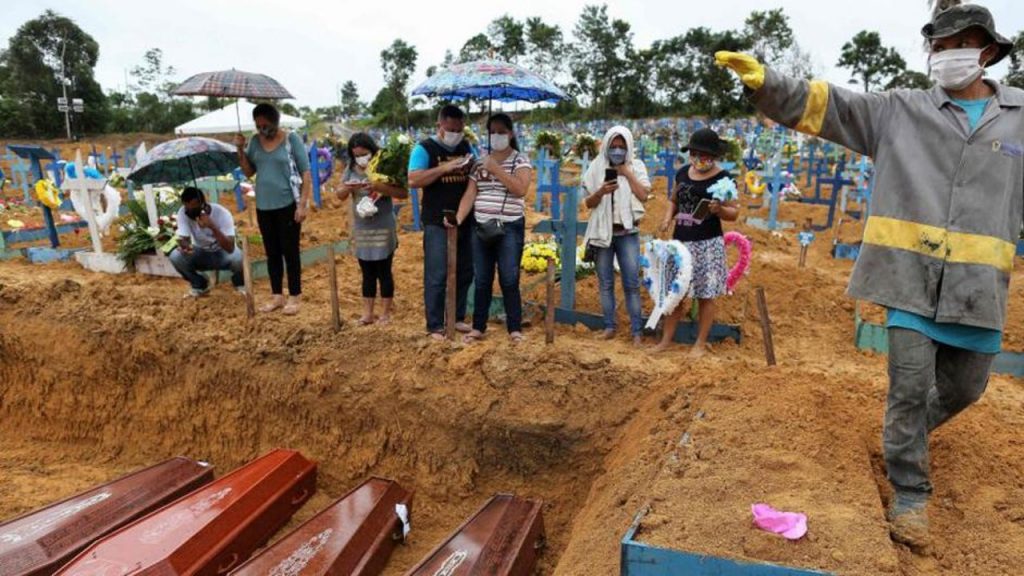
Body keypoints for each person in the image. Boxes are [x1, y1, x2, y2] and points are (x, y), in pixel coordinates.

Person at [717, 1, 1021, 550]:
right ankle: (910, 494)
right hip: (907, 275)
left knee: (965, 388)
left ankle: (903, 440)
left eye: (962, 45)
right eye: (940, 46)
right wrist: (767, 85)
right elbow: (829, 107)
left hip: (977, 289)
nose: (949, 56)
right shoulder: (900, 110)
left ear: (989, 52)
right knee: (907, 387)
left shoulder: (1021, 118)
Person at [655, 128, 739, 357]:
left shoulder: (724, 179)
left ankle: (700, 343)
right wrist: (665, 219)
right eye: (695, 152)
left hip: (707, 243)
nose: (699, 158)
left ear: (713, 155)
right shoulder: (682, 173)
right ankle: (665, 341)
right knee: (676, 292)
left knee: (705, 294)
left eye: (704, 154)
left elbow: (734, 213)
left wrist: (719, 209)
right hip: (681, 242)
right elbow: (674, 200)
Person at [451, 114, 533, 343]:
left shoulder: (520, 161)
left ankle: (514, 328)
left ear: (511, 134)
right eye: (493, 132)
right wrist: (458, 218)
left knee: (508, 277)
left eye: (501, 132)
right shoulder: (480, 163)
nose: (496, 136)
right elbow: (470, 193)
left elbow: (520, 189)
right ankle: (478, 326)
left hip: (509, 227)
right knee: (483, 278)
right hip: (482, 227)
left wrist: (496, 169)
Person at [235, 103, 312, 316]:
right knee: (272, 253)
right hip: (263, 206)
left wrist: (302, 204)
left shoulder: (291, 140)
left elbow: (306, 174)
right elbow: (249, 171)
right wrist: (240, 149)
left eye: (266, 125)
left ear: (275, 122)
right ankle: (277, 295)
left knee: (290, 251)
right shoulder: (255, 143)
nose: (262, 130)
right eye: (258, 126)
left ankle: (295, 295)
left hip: (287, 204)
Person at [408, 105, 477, 340]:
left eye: (459, 129)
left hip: (465, 219)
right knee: (437, 273)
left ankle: (456, 316)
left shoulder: (466, 147)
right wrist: (445, 167)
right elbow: (414, 179)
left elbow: (474, 175)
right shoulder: (424, 148)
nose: (456, 133)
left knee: (465, 271)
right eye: (451, 129)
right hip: (436, 220)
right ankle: (435, 324)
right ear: (440, 126)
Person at [581, 126, 652, 346]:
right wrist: (601, 191)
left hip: (627, 233)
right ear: (607, 145)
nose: (618, 150)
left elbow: (644, 195)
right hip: (604, 233)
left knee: (631, 283)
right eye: (614, 146)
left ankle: (636, 331)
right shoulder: (596, 167)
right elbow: (588, 203)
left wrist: (626, 173)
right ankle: (609, 326)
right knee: (605, 283)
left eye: (622, 146)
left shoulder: (636, 166)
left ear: (628, 147)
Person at [337, 133, 408, 325]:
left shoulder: (384, 166)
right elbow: (339, 194)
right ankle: (367, 313)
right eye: (357, 155)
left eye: (364, 154)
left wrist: (379, 186)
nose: (361, 158)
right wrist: (349, 188)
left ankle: (385, 313)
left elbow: (403, 192)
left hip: (383, 225)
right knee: (367, 271)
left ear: (372, 151)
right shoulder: (350, 169)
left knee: (384, 270)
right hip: (362, 228)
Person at [168, 187, 245, 298]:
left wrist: (212, 226)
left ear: (202, 204)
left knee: (238, 257)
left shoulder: (222, 213)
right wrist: (184, 246)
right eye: (187, 207)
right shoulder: (183, 212)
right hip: (200, 252)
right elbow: (184, 238)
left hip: (223, 252)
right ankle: (200, 284)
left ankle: (240, 284)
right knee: (175, 256)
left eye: (193, 207)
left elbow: (230, 248)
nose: (189, 211)